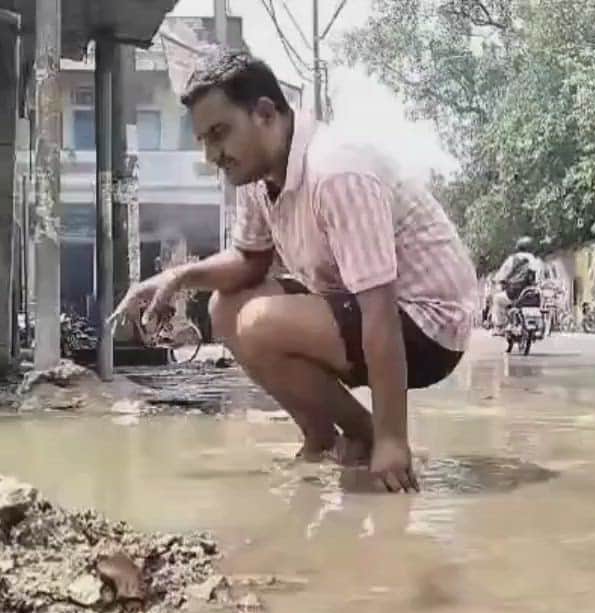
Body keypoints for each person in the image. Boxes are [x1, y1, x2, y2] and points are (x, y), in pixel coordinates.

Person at [109, 51, 478, 492]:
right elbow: (249, 261)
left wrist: (394, 442)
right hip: (362, 310)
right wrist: (172, 280)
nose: (212, 155)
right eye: (204, 140)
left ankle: (371, 434)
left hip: (428, 326)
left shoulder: (335, 171)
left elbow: (379, 312)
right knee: (226, 309)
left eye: (220, 134)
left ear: (265, 113)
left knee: (259, 323)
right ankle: (321, 438)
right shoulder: (259, 176)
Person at [489, 236, 543, 333]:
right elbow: (540, 277)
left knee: (497, 299)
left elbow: (503, 273)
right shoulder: (537, 261)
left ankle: (500, 326)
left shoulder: (514, 259)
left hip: (515, 292)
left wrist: (497, 280)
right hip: (532, 293)